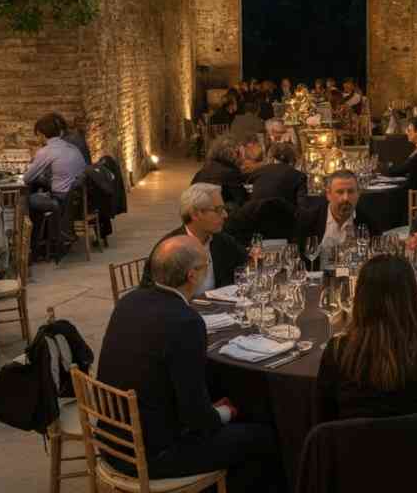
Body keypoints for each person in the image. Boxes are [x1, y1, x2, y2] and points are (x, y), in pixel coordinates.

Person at [98, 235, 281, 493]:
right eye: (206, 265)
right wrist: (225, 412)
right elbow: (197, 419)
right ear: (192, 275)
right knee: (265, 437)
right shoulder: (185, 322)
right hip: (154, 454)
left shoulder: (129, 301)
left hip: (111, 440)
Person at [315, 254, 417, 423]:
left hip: (354, 441)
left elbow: (323, 425)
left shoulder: (338, 353)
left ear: (360, 298)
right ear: (411, 297)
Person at [152, 184, 249, 294]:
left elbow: (247, 267)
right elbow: (151, 292)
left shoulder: (224, 242)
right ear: (195, 214)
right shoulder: (168, 249)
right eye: (218, 210)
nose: (225, 215)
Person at [24, 113, 88, 251]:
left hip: (60, 200)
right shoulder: (73, 148)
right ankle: (46, 238)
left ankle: (35, 244)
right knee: (39, 193)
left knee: (27, 200)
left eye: (38, 136)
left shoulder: (46, 151)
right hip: (78, 200)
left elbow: (26, 178)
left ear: (41, 134)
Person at [295, 170, 382, 266]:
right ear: (328, 195)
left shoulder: (369, 223)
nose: (346, 198)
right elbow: (298, 260)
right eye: (340, 192)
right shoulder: (309, 220)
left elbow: (376, 262)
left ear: (358, 194)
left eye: (351, 192)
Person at [192, 134, 248, 210]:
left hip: (197, 212)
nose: (243, 158)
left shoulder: (203, 170)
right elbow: (242, 202)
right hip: (217, 213)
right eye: (241, 154)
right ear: (234, 153)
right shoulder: (231, 173)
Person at [247, 142, 307, 207]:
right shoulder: (299, 176)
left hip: (255, 211)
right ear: (293, 160)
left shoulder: (259, 171)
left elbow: (247, 187)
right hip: (282, 212)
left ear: (271, 158)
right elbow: (302, 205)